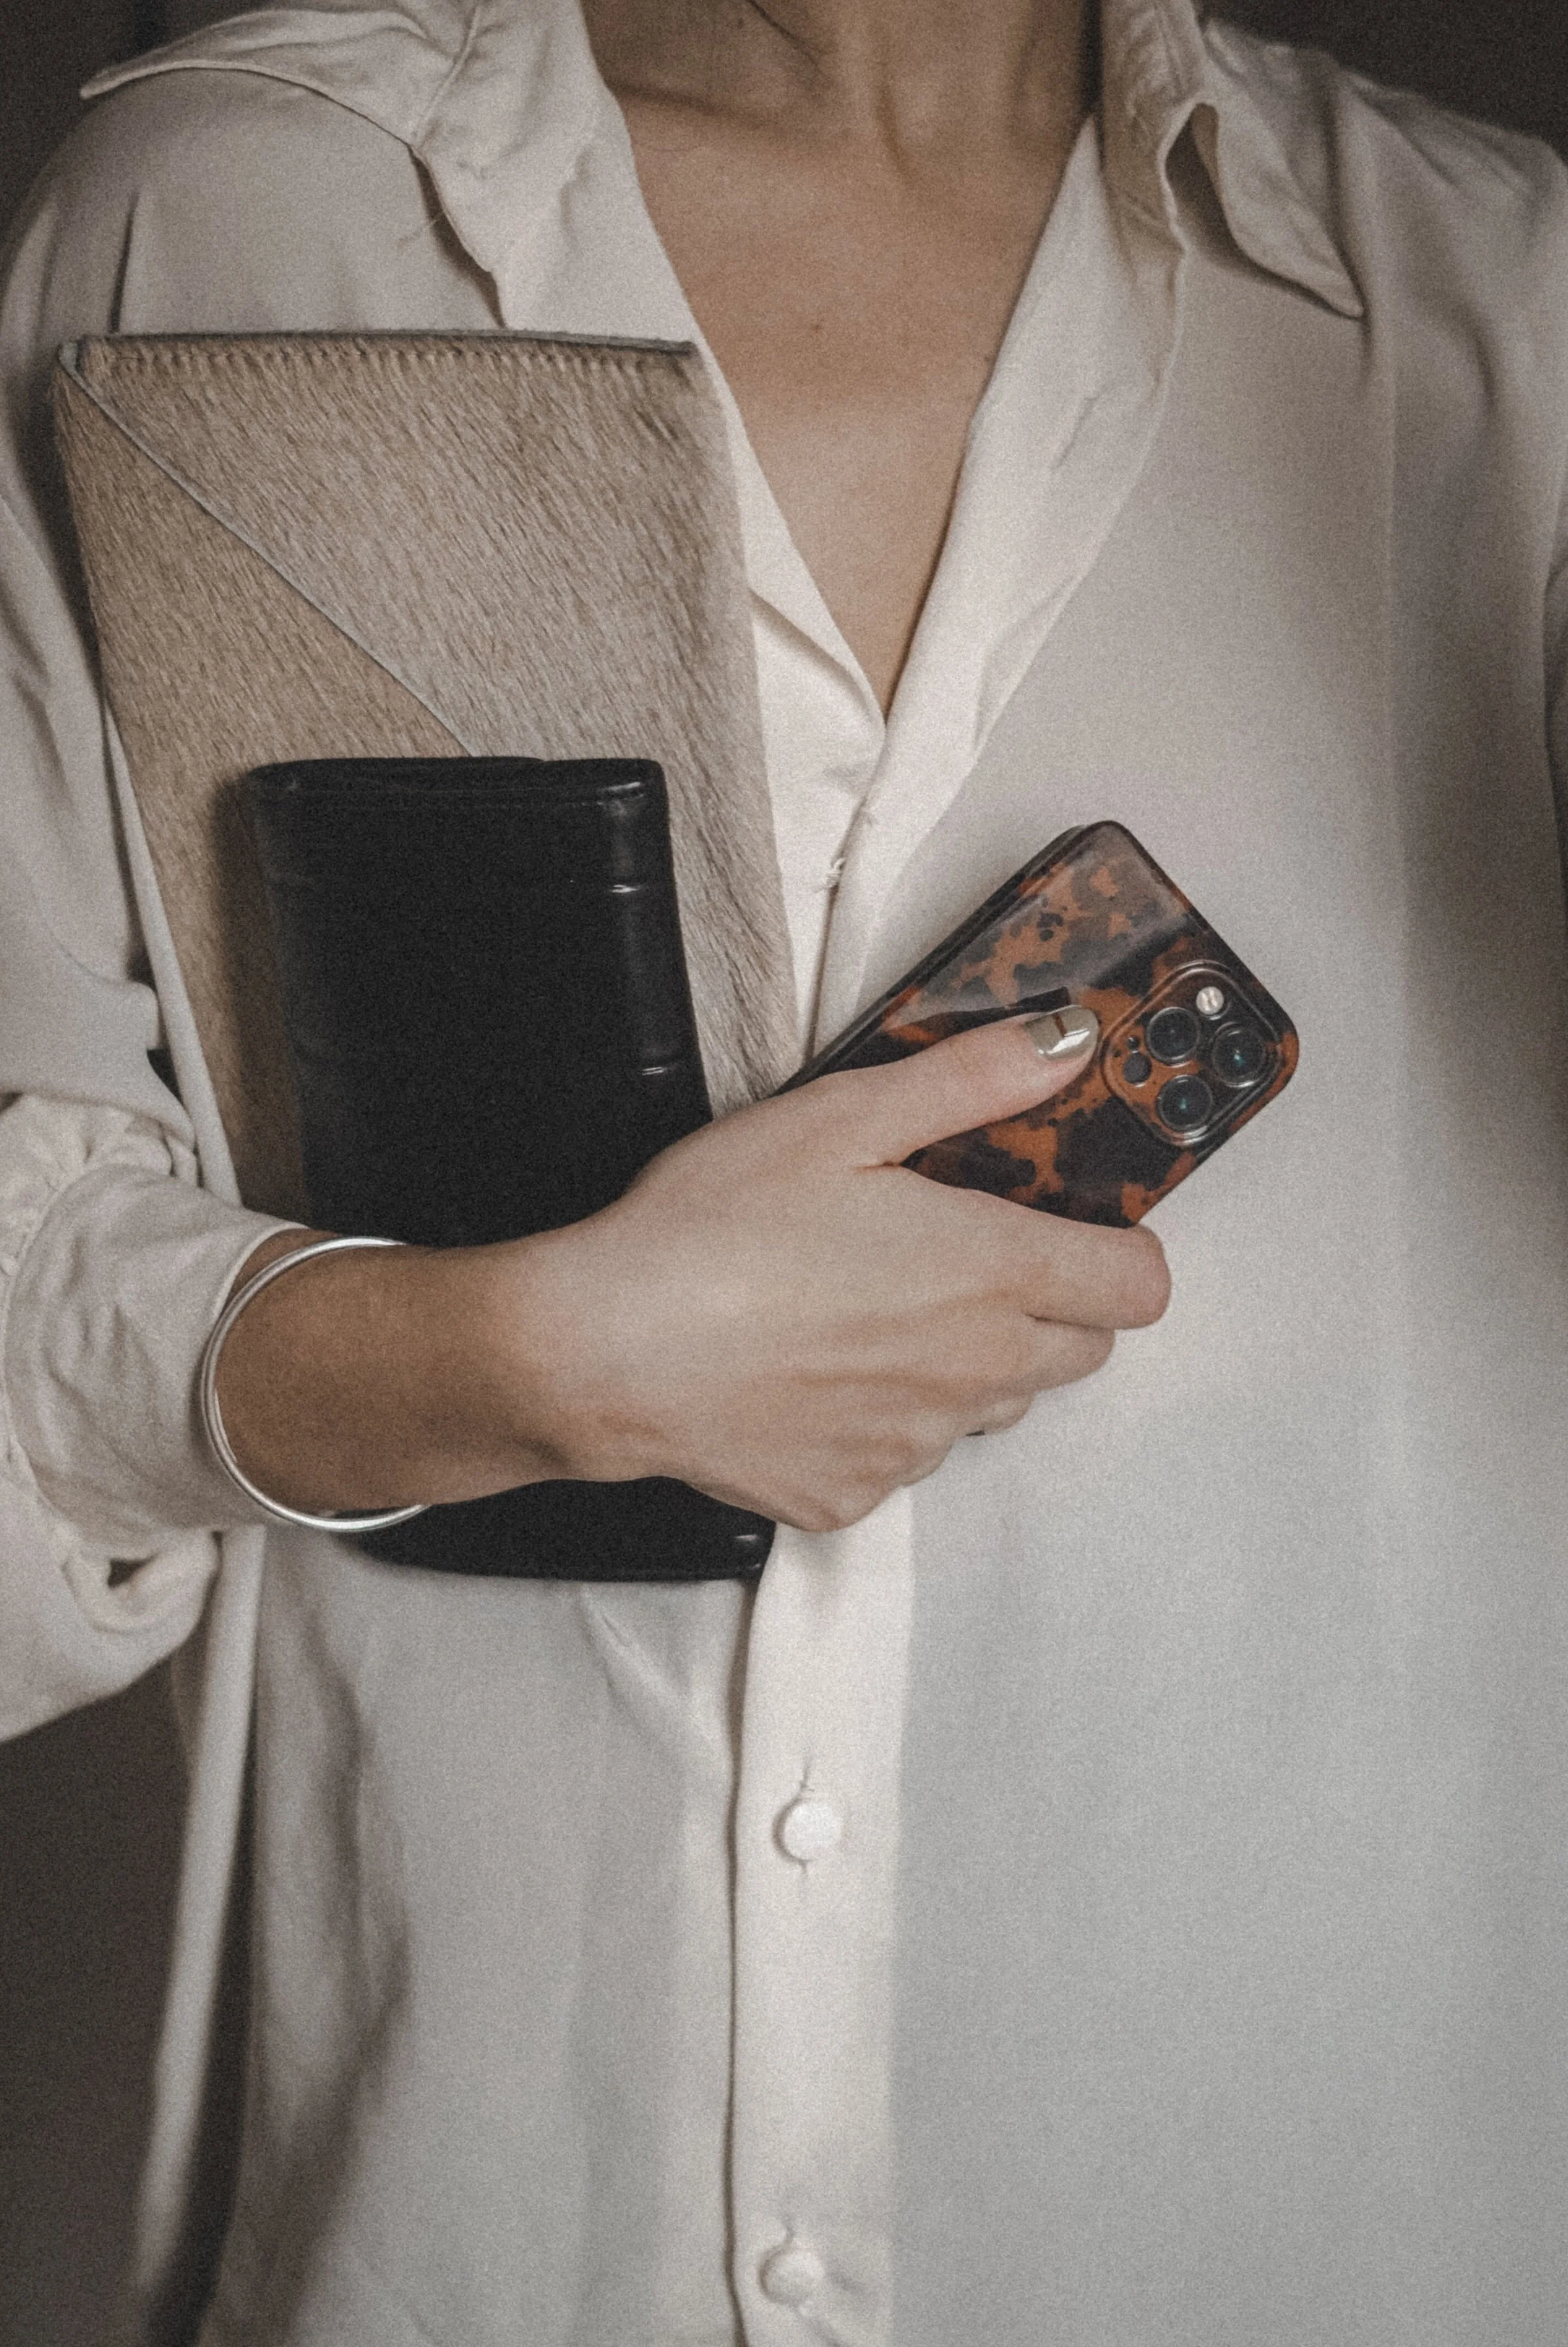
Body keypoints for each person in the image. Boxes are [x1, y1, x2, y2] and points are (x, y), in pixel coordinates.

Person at [3, 0, 1567, 2340]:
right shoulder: (228, 203)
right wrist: (489, 1358)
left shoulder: (1505, 303)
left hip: (1307, 2207)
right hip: (461, 2225)